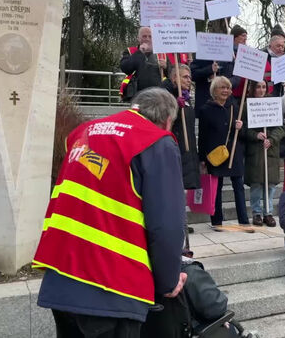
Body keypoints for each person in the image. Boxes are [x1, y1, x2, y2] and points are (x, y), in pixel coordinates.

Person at [33, 88, 187, 336]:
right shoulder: (156, 141)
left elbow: (105, 179)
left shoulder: (84, 133)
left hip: (62, 278)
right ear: (167, 121)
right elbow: (167, 226)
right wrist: (168, 281)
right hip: (112, 285)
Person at [198, 76, 251, 230]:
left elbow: (243, 133)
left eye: (228, 88)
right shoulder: (205, 110)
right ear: (214, 90)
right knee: (217, 187)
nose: (226, 91)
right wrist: (202, 159)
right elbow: (202, 136)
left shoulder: (234, 106)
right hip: (215, 154)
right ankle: (217, 221)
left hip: (234, 151)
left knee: (238, 186)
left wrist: (241, 127)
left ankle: (243, 221)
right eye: (222, 87)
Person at [244, 80, 284, 227]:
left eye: (263, 87)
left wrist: (272, 139)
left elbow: (280, 127)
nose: (261, 90)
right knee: (256, 185)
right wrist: (255, 135)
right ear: (253, 89)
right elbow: (243, 128)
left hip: (270, 150)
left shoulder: (272, 104)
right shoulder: (247, 105)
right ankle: (256, 213)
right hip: (255, 151)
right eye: (258, 87)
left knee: (270, 185)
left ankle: (268, 212)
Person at [190, 25, 248, 113]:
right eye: (243, 36)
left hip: (226, 104)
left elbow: (237, 78)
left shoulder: (233, 57)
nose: (245, 39)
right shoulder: (203, 55)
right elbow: (193, 74)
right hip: (205, 102)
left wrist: (223, 83)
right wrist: (209, 69)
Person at [162, 65, 200, 190]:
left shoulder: (187, 99)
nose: (189, 80)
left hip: (188, 152)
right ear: (174, 78)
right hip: (175, 149)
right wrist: (174, 106)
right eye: (185, 77)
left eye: (190, 77)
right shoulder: (166, 98)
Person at [120, 27, 170, 97]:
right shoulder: (130, 51)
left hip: (157, 95)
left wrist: (166, 67)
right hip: (137, 94)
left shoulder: (161, 54)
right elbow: (125, 68)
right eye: (144, 36)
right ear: (138, 38)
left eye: (150, 36)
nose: (147, 39)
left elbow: (171, 74)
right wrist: (140, 52)